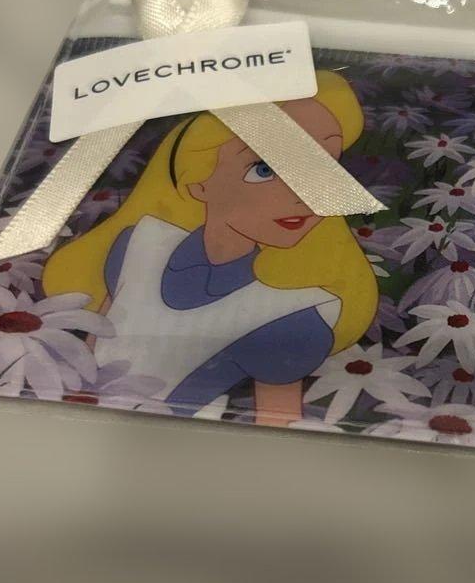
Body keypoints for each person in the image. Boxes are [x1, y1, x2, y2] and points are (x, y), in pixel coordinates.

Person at [43, 71, 378, 425]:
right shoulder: (139, 243)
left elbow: (279, 426)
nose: (304, 196)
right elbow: (96, 348)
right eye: (264, 169)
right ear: (197, 181)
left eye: (322, 171)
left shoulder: (296, 311)